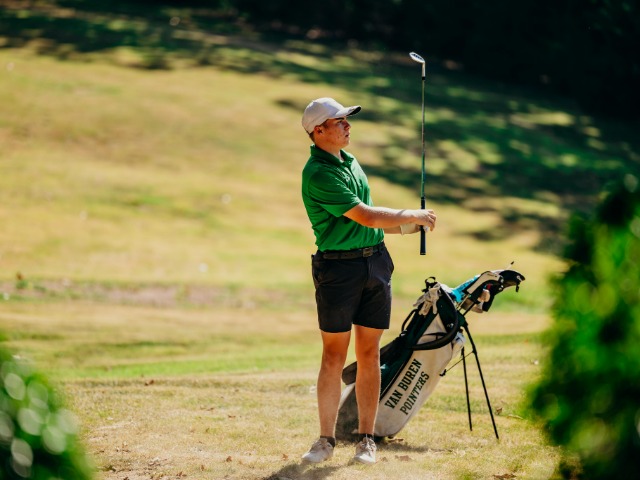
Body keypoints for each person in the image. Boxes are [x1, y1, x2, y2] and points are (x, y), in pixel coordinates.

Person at [300, 98, 437, 465]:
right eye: (339, 120)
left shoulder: (350, 162)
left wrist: (407, 227)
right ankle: (325, 440)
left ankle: (366, 439)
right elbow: (364, 215)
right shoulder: (318, 173)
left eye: (347, 119)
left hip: (375, 263)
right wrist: (411, 214)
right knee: (333, 354)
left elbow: (374, 223)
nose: (347, 125)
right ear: (319, 130)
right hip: (338, 270)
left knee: (369, 354)